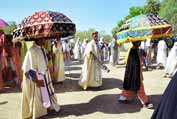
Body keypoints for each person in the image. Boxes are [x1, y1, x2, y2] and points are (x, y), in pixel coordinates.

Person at [21, 39, 60, 119]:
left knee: (46, 93)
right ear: (37, 39)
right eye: (42, 39)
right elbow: (28, 68)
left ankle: (48, 108)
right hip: (35, 77)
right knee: (38, 95)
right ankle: (38, 113)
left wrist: (49, 56)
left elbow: (43, 62)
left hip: (44, 75)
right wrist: (36, 80)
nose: (44, 40)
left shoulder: (42, 49)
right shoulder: (31, 50)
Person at [118, 41, 153, 109]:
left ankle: (122, 98)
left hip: (136, 73)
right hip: (135, 73)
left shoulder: (136, 50)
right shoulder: (133, 50)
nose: (139, 43)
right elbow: (134, 64)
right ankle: (145, 102)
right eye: (138, 42)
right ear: (135, 43)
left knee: (130, 86)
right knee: (139, 86)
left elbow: (139, 61)